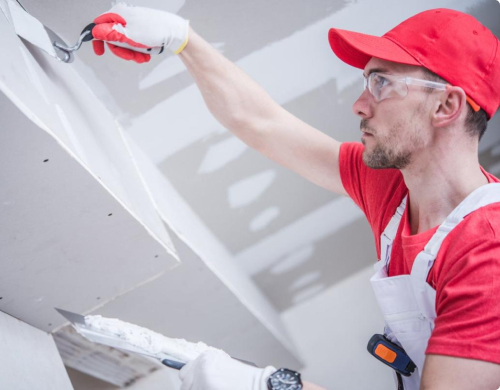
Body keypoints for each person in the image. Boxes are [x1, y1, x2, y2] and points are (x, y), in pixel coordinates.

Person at [91, 4, 500, 390]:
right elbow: (262, 123)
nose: (359, 105)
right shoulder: (395, 189)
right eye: (366, 82)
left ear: (446, 105)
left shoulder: (488, 254)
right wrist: (183, 39)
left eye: (383, 83)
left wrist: (269, 385)